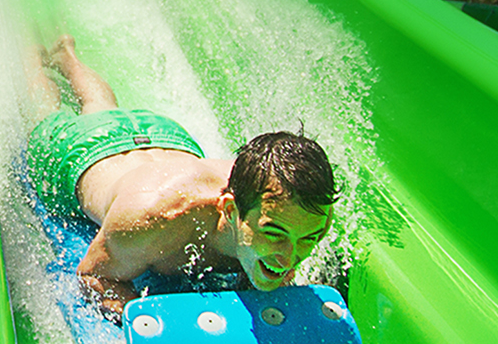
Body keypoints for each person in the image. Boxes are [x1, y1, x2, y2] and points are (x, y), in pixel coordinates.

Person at [25, 36, 337, 323]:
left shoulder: (304, 214)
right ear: (229, 209)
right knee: (46, 112)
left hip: (169, 138)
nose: (289, 256)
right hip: (84, 150)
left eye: (307, 239)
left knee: (103, 107)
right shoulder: (153, 219)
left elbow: (296, 231)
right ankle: (33, 58)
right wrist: (144, 324)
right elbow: (94, 275)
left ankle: (67, 55)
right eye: (273, 233)